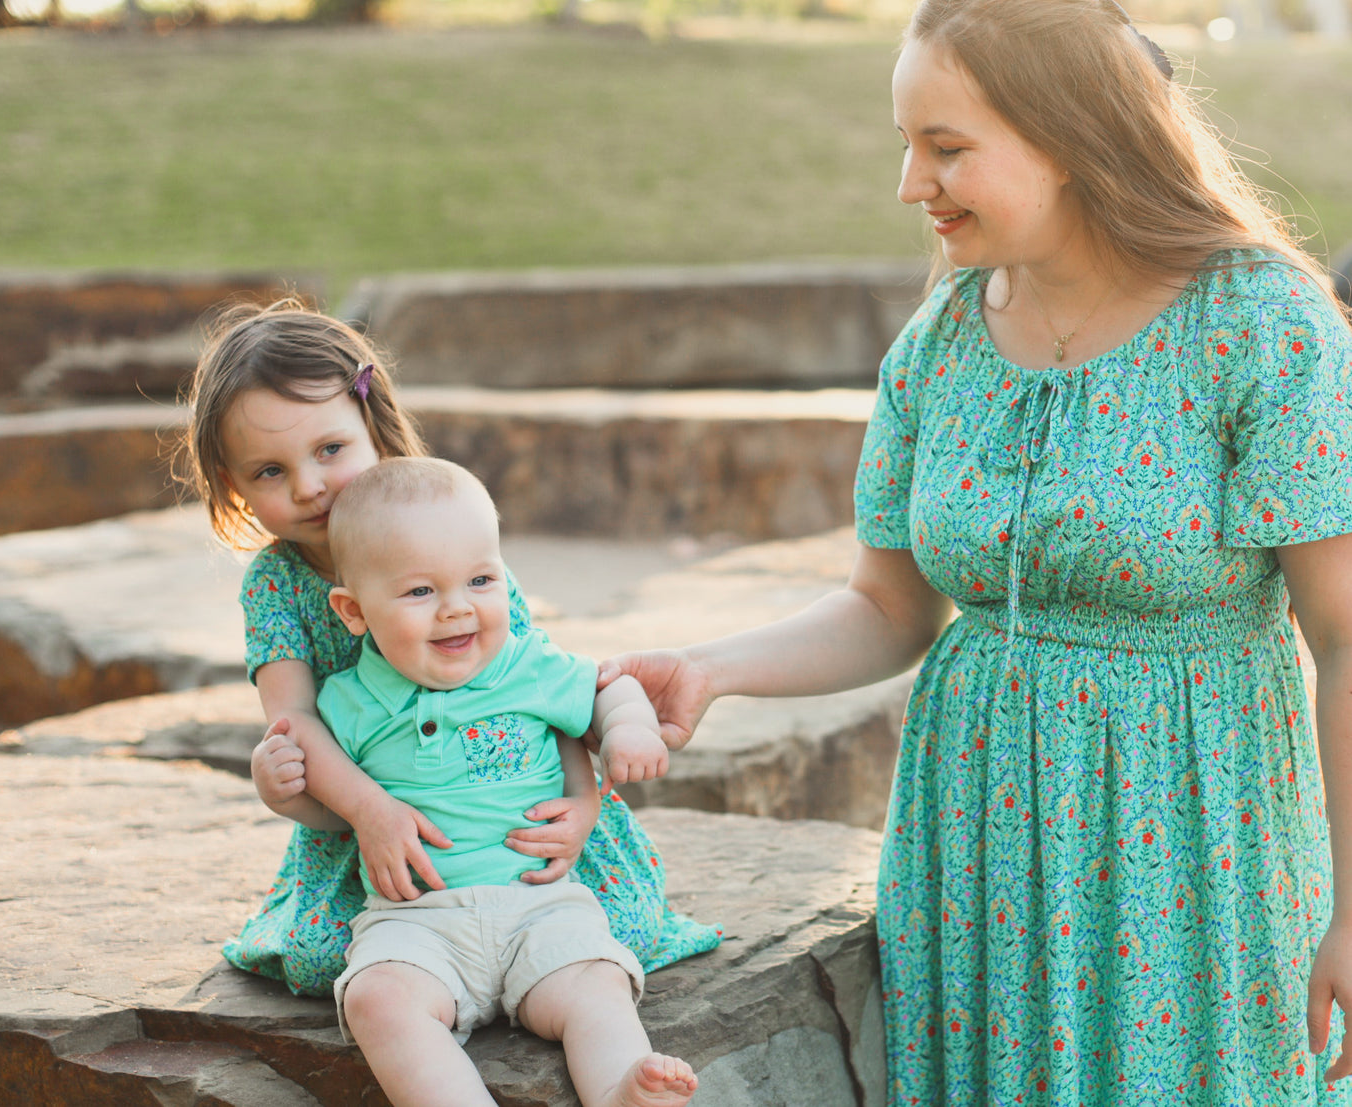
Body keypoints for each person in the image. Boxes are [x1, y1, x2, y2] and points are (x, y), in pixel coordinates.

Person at [600, 1, 1352, 1102]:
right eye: (906, 145)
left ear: (1072, 134)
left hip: (1197, 849)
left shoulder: (1262, 325)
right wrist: (710, 668)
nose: (912, 184)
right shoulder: (940, 341)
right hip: (978, 851)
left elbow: (1341, 638)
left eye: (945, 148)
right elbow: (887, 607)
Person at [176, 299, 720, 1003]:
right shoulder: (278, 583)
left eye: (329, 449)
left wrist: (581, 803)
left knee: (615, 928)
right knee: (321, 959)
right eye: (268, 472)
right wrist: (369, 812)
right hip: (376, 807)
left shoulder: (442, 534)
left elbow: (540, 688)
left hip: (506, 803)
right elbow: (295, 722)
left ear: (372, 428)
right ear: (233, 486)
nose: (308, 484)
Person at [288, 455, 697, 1107]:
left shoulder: (525, 662)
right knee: (376, 997)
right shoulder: (350, 699)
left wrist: (628, 730)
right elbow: (311, 785)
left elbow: (608, 686)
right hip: (415, 919)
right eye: (420, 591)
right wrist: (273, 777)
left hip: (540, 902)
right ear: (353, 610)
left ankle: (622, 1088)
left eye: (480, 579)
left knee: (595, 980)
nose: (457, 609)